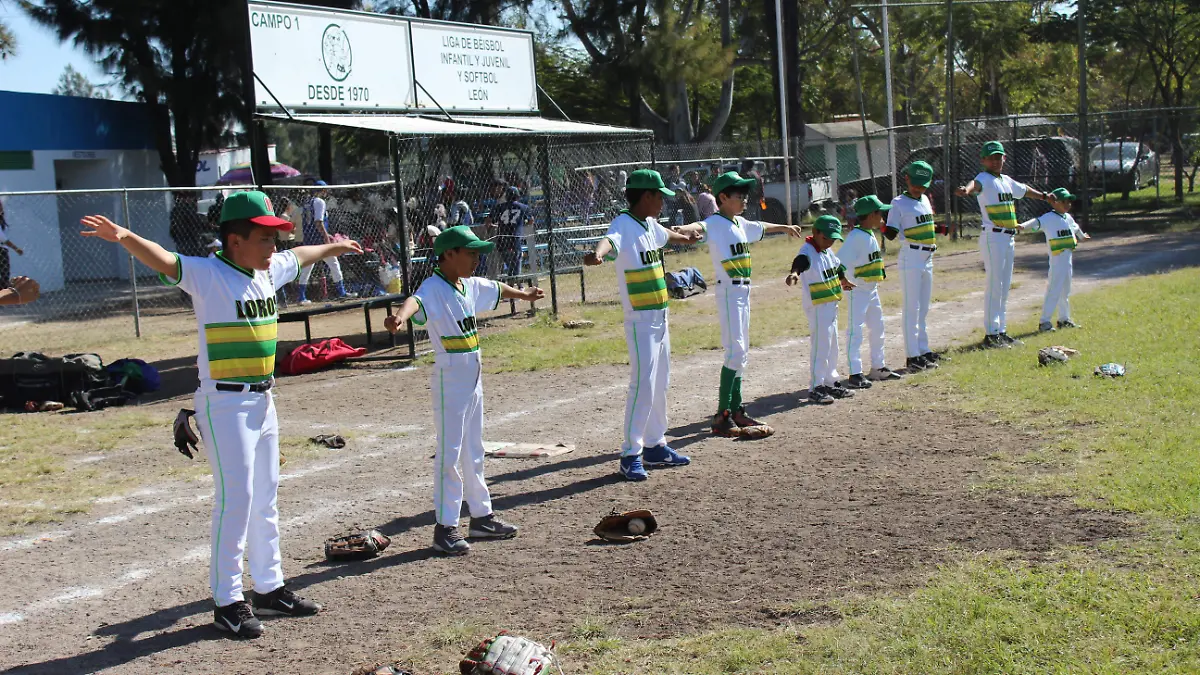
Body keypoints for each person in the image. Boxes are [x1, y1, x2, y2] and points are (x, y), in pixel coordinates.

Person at [79, 191, 363, 639]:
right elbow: (165, 260)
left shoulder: (267, 273)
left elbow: (302, 254)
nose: (274, 247)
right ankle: (228, 601)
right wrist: (124, 236)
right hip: (224, 404)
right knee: (236, 503)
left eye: (275, 238)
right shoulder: (209, 274)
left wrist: (335, 247)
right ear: (234, 240)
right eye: (264, 238)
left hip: (263, 401)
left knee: (266, 499)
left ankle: (270, 590)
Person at [384, 226, 544, 555]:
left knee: (474, 450)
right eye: (470, 253)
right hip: (451, 380)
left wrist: (523, 295)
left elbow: (496, 288)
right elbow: (414, 301)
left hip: (473, 379)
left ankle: (482, 517)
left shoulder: (466, 285)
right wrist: (399, 318)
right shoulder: (434, 288)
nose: (475, 259)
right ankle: (445, 528)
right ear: (449, 255)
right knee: (450, 454)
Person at [583, 169, 700, 481]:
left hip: (660, 316)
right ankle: (630, 454)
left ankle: (655, 445)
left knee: (660, 382)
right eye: (659, 195)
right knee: (643, 385)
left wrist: (685, 237)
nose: (663, 201)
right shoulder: (624, 225)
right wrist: (597, 255)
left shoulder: (648, 224)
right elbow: (609, 241)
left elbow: (665, 234)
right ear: (645, 196)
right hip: (640, 320)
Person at [673, 171, 803, 438]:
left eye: (745, 194)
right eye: (739, 195)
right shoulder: (717, 223)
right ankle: (722, 416)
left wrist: (784, 227)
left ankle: (737, 410)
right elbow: (699, 227)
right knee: (735, 351)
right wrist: (683, 230)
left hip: (743, 293)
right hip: (729, 293)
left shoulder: (739, 223)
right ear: (723, 197)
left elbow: (760, 227)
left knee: (742, 354)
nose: (745, 199)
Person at [955, 140, 1049, 348]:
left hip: (1008, 237)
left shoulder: (1005, 180)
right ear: (983, 160)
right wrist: (966, 190)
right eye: (992, 158)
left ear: (1004, 158)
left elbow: (1023, 190)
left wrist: (1044, 197)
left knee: (1004, 285)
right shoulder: (984, 178)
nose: (996, 161)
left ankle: (1001, 330)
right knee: (995, 284)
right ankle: (991, 334)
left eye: (999, 157)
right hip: (993, 236)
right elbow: (974, 185)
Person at [786, 215, 855, 405]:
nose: (830, 242)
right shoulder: (808, 251)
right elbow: (800, 262)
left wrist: (843, 280)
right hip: (817, 307)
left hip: (831, 305)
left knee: (833, 346)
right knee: (821, 346)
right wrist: (794, 274)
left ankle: (830, 381)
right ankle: (816, 387)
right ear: (815, 232)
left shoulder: (827, 251)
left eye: (833, 239)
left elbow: (837, 267)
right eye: (826, 238)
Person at [885, 161, 946, 372]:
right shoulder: (899, 202)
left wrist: (939, 229)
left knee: (924, 308)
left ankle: (923, 349)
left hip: (928, 257)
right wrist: (883, 221)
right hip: (911, 257)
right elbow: (891, 233)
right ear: (907, 178)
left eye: (923, 184)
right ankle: (912, 356)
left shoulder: (925, 200)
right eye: (915, 183)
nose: (918, 188)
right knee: (912, 308)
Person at [839, 195, 903, 387]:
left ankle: (877, 367)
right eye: (880, 212)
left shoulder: (867, 234)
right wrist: (843, 280)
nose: (883, 215)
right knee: (855, 331)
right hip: (858, 290)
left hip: (871, 290)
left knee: (878, 327)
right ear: (871, 215)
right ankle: (855, 373)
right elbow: (839, 261)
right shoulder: (856, 237)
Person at [1017, 187, 1090, 332]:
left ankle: (1064, 319)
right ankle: (1044, 322)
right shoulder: (1049, 218)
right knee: (1054, 290)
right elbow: (1036, 223)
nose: (1067, 204)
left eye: (1069, 201)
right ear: (1054, 202)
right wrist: (1022, 227)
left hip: (1067, 259)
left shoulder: (1068, 217)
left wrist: (1082, 236)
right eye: (1064, 201)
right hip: (1057, 261)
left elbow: (1075, 229)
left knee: (1065, 291)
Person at [297, 181, 356, 304]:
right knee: (334, 264)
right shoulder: (319, 202)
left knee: (307, 268)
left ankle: (301, 296)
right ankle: (342, 292)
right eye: (325, 189)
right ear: (322, 190)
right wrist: (325, 237)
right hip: (319, 241)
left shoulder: (307, 202)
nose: (327, 192)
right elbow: (318, 222)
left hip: (309, 239)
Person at [487, 186, 531, 276]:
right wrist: (523, 225)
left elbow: (488, 220)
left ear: (506, 196)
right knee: (517, 259)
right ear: (518, 196)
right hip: (515, 236)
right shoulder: (523, 207)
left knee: (508, 259)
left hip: (502, 236)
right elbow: (531, 220)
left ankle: (513, 280)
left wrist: (491, 227)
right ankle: (516, 281)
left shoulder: (499, 207)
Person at [169, 192, 207, 258]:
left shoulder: (176, 211)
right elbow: (197, 223)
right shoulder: (188, 210)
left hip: (182, 240)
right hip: (191, 241)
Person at [0, 200, 24, 286]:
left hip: (3, 250)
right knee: (4, 276)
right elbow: (3, 238)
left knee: (5, 275)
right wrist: (16, 248)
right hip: (1, 250)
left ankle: (3, 295)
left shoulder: (2, 221)